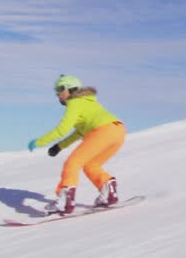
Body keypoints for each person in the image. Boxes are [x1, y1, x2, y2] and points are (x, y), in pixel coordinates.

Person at [28, 74, 125, 215]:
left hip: (103, 131)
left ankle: (64, 201)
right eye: (56, 90)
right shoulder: (89, 102)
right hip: (118, 131)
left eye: (61, 89)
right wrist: (59, 146)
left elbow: (62, 129)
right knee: (91, 165)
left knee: (72, 163)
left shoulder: (75, 102)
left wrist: (39, 142)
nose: (58, 94)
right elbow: (79, 132)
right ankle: (108, 190)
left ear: (72, 89)